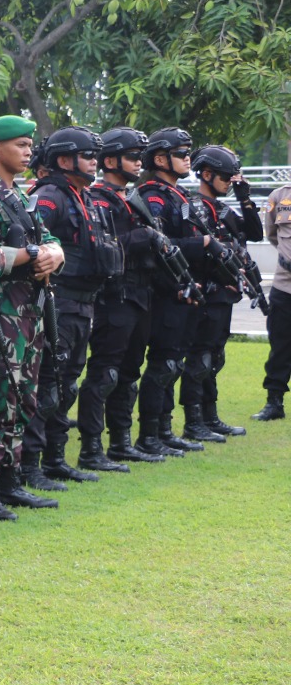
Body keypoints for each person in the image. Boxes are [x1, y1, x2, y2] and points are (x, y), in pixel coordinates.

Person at [0, 115, 66, 515]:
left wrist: (53, 253)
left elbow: (47, 238)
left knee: (22, 396)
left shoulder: (19, 196)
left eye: (29, 145)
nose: (28, 152)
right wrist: (33, 256)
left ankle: (10, 480)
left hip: (28, 313)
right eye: (20, 145)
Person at [26, 126, 121, 485]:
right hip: (58, 304)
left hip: (83, 304)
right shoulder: (51, 195)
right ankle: (31, 465)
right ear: (65, 160)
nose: (94, 162)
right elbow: (33, 242)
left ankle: (55, 458)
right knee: (48, 386)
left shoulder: (84, 196)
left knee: (67, 385)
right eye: (88, 155)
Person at [83, 128, 160, 468]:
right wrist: (140, 237)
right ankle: (91, 449)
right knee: (105, 373)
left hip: (141, 293)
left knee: (129, 372)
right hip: (114, 296)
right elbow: (97, 247)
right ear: (111, 160)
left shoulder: (131, 196)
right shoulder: (97, 197)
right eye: (132, 156)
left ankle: (121, 441)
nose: (139, 162)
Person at [133, 128, 208, 457]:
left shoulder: (179, 195)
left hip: (186, 291)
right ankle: (149, 435)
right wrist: (204, 245)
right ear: (161, 159)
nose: (187, 158)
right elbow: (160, 248)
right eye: (181, 153)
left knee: (173, 363)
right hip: (166, 293)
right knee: (162, 364)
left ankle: (165, 429)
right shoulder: (153, 196)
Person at [186, 144, 261, 438]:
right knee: (200, 357)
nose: (230, 182)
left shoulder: (223, 208)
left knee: (214, 358)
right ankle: (194, 422)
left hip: (224, 296)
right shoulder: (193, 206)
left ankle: (210, 417)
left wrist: (245, 198)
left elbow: (254, 233)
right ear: (206, 174)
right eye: (225, 177)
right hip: (207, 294)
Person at [255, 178, 291, 420]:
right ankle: (274, 403)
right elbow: (271, 234)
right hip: (284, 286)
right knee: (280, 346)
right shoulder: (278, 196)